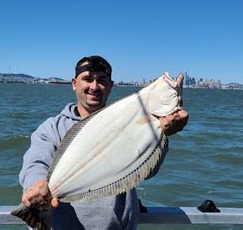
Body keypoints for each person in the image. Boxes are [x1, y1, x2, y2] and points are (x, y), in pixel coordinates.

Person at [18, 55, 188, 229]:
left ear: (111, 86)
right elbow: (36, 162)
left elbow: (146, 170)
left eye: (101, 80)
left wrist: (163, 135)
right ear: (74, 83)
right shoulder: (52, 127)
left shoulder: (127, 120)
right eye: (88, 79)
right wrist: (37, 185)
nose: (94, 86)